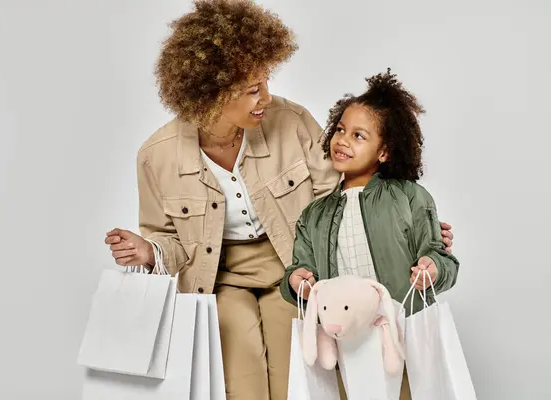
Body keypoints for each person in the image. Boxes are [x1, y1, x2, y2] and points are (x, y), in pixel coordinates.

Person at [104, 2, 454, 399]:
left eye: (266, 80)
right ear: (213, 94)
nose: (267, 97)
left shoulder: (291, 121)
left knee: (301, 376)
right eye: (253, 89)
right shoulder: (157, 155)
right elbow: (166, 238)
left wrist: (409, 225)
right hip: (218, 278)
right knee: (242, 378)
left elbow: (337, 195)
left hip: (293, 263)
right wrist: (148, 252)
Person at [280, 68, 460, 399]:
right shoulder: (313, 216)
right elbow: (298, 270)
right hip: (345, 340)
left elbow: (441, 257)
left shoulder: (410, 197)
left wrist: (432, 269)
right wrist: (296, 281)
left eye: (359, 136)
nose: (343, 140)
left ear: (385, 151)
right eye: (340, 130)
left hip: (401, 332)